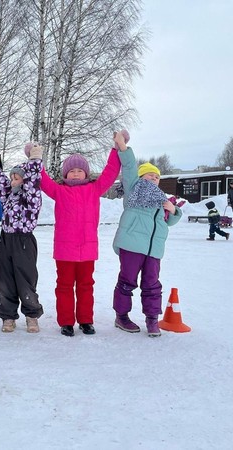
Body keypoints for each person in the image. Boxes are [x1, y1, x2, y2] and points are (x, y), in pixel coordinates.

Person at [40, 133, 124, 337]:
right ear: (65, 174)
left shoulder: (94, 189)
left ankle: (86, 320)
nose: (76, 174)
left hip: (87, 249)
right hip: (65, 250)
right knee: (64, 286)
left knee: (86, 285)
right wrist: (35, 160)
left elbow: (111, 172)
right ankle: (66, 322)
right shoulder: (59, 191)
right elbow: (42, 180)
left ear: (86, 174)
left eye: (80, 170)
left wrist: (116, 148)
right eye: (72, 171)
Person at [112, 150, 182, 337]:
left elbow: (169, 221)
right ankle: (122, 316)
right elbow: (128, 168)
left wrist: (174, 210)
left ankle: (152, 319)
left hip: (154, 250)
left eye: (157, 176)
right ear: (140, 177)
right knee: (127, 282)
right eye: (150, 174)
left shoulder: (162, 200)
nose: (154, 177)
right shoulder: (134, 191)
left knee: (152, 284)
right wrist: (123, 148)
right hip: (132, 246)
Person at [0, 144, 44, 333]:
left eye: (16, 177)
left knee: (26, 280)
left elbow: (34, 181)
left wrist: (34, 161)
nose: (12, 180)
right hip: (6, 240)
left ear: (25, 180)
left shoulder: (31, 197)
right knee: (5, 280)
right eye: (12, 177)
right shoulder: (8, 195)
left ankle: (31, 315)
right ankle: (8, 316)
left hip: (24, 241)